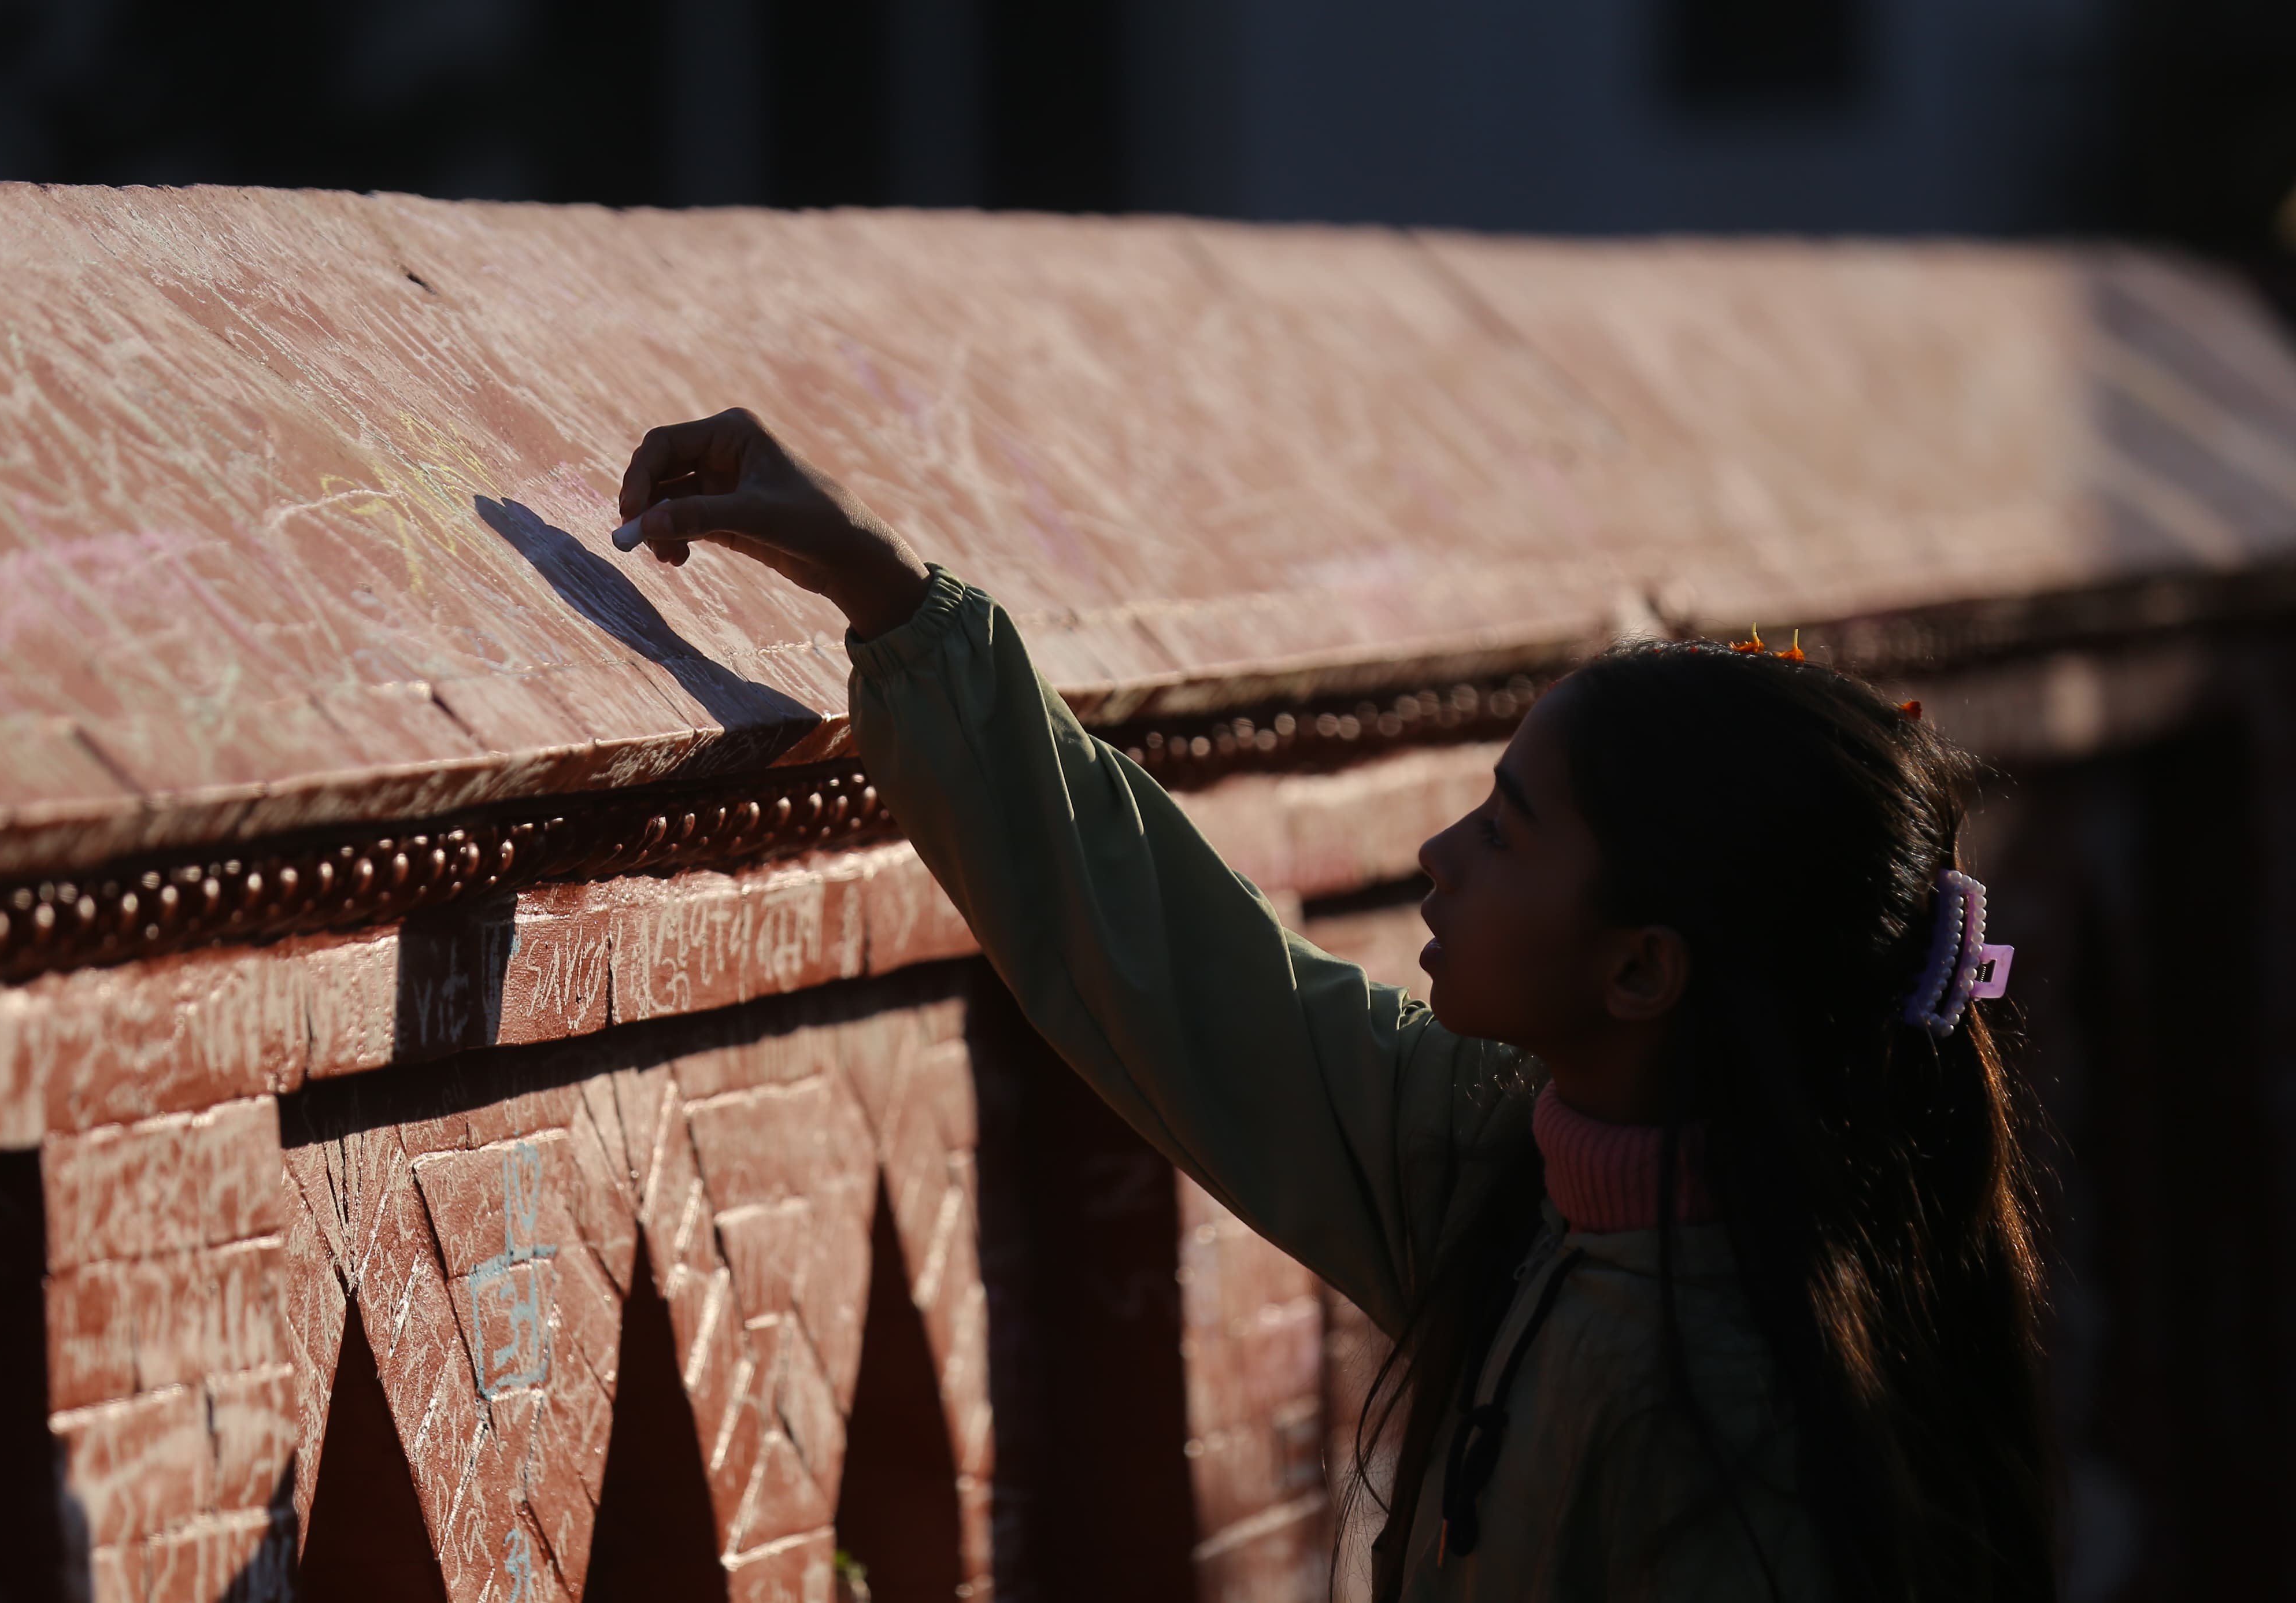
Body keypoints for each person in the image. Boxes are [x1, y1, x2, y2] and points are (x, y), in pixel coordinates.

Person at [611, 409, 2058, 1602]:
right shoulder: (1521, 1175)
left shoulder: (1732, 1422)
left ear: (1639, 970)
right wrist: (888, 591)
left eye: (1503, 829)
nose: (1440, 857)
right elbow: (1179, 960)